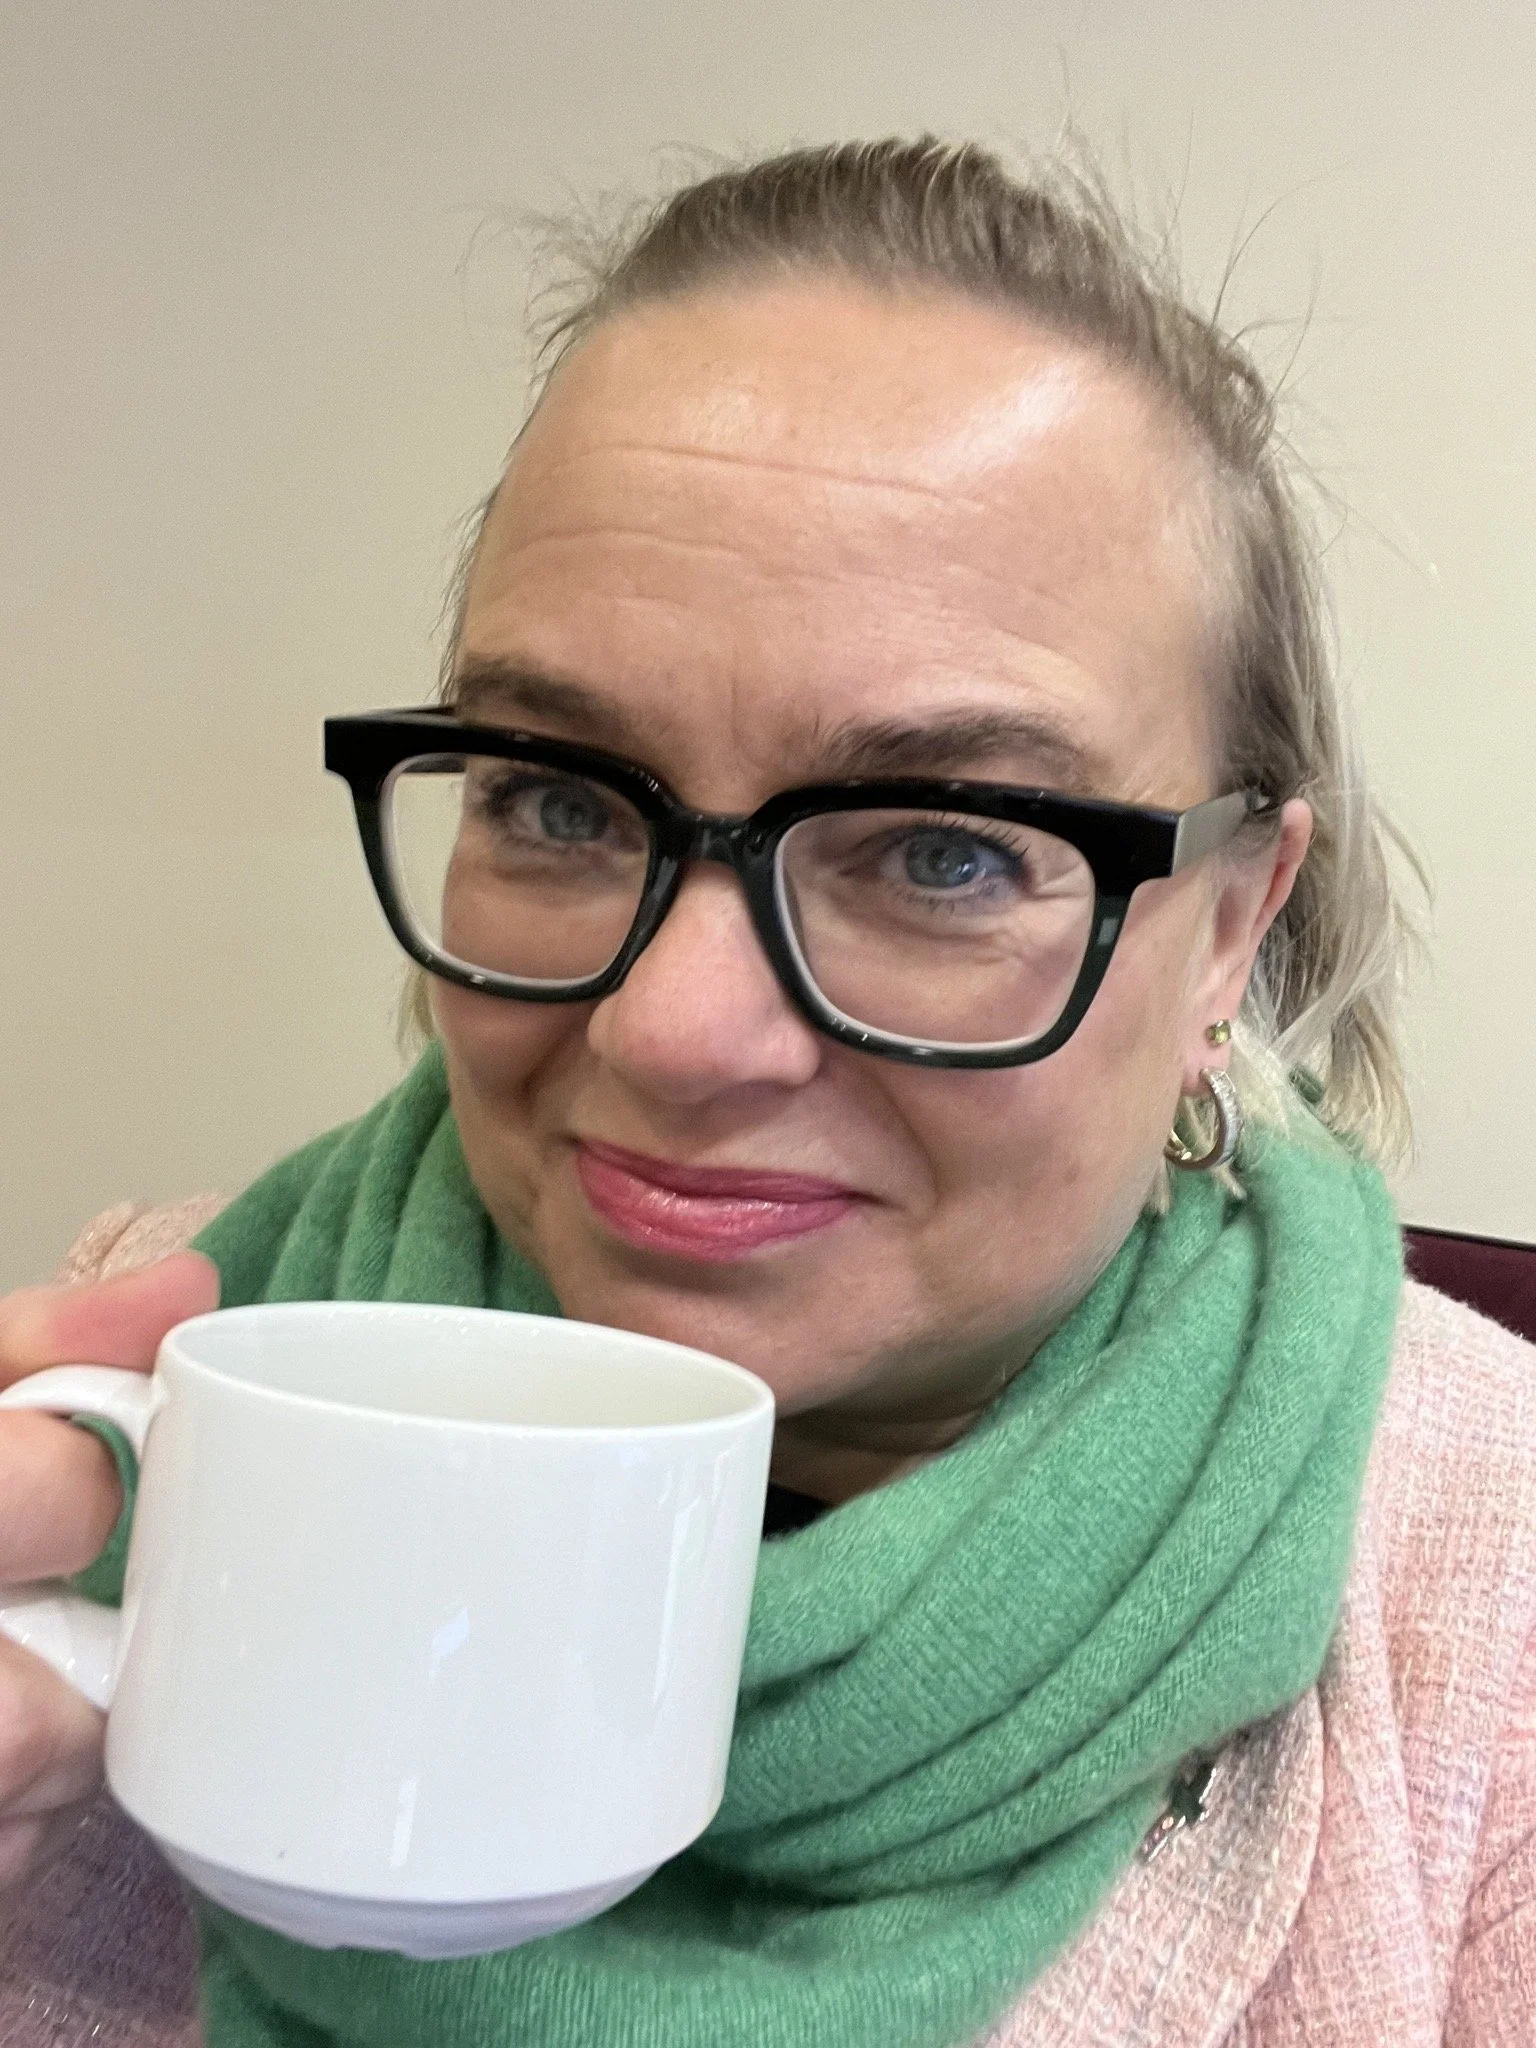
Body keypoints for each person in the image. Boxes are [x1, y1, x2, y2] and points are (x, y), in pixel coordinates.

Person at [2, 138, 1533, 2048]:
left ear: (1230, 929)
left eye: (950, 850)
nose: (672, 1033)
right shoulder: (149, 1392)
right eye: (557, 799)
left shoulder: (1494, 1591)